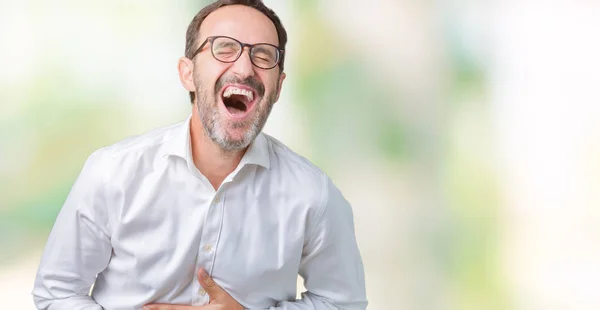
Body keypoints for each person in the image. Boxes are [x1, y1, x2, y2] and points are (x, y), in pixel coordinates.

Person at [32, 0, 368, 309]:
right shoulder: (112, 172)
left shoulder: (314, 195)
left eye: (263, 55)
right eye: (224, 48)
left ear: (278, 87)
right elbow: (57, 292)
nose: (245, 66)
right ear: (187, 73)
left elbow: (343, 303)